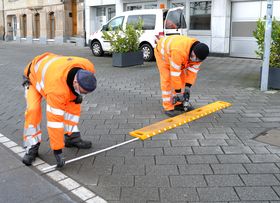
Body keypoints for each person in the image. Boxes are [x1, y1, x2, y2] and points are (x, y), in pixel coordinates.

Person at [22, 52, 97, 167]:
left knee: (73, 103)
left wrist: (77, 95)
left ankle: (72, 138)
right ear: (75, 82)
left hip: (52, 69)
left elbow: (78, 89)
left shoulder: (87, 66)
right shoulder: (57, 90)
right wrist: (57, 151)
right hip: (33, 77)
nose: (84, 94)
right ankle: (32, 147)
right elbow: (54, 122)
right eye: (83, 91)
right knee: (33, 110)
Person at [154, 35, 209, 117]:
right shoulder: (179, 51)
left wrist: (188, 87)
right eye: (195, 58)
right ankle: (168, 107)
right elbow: (175, 74)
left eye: (198, 60)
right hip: (163, 56)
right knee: (167, 80)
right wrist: (178, 92)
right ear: (193, 51)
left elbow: (192, 72)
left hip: (176, 55)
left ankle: (178, 104)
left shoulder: (199, 56)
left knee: (182, 79)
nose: (195, 61)